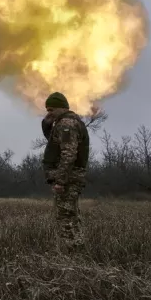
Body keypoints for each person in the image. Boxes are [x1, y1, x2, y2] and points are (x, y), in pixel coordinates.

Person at [41, 92, 90, 250]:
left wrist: (61, 181)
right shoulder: (68, 122)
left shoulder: (66, 124)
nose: (49, 113)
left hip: (68, 179)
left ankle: (73, 255)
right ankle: (78, 251)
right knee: (71, 216)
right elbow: (55, 144)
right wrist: (46, 126)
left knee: (65, 217)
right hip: (72, 177)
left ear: (60, 108)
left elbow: (68, 155)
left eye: (51, 110)